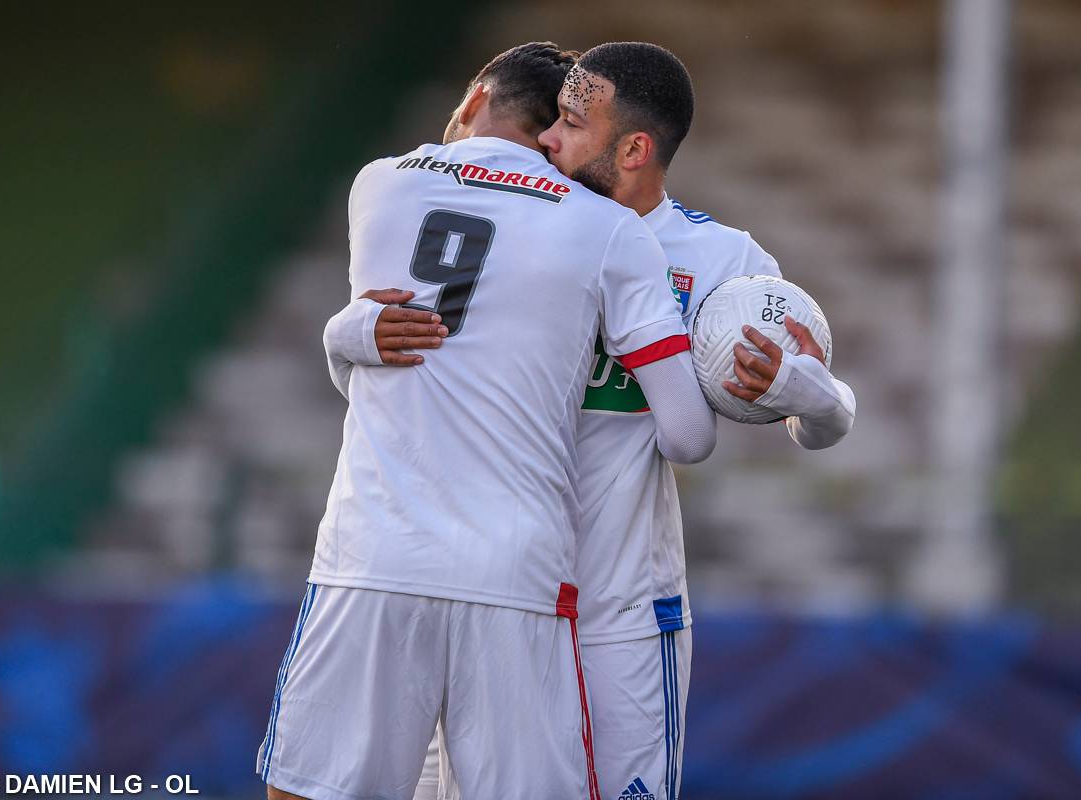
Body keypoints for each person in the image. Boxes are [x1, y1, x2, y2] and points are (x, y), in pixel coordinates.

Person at [336, 42, 856, 800]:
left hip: (620, 613)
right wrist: (345, 333)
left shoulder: (723, 262)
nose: (548, 138)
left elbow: (822, 421)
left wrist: (812, 396)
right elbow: (405, 376)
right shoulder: (511, 228)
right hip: (490, 595)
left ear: (635, 149)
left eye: (572, 125)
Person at [258, 41, 717, 800]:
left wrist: (343, 335)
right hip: (517, 573)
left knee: (312, 789)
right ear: (552, 137)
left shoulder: (379, 186)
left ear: (474, 99)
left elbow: (389, 354)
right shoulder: (607, 230)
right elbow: (688, 435)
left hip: (375, 553)